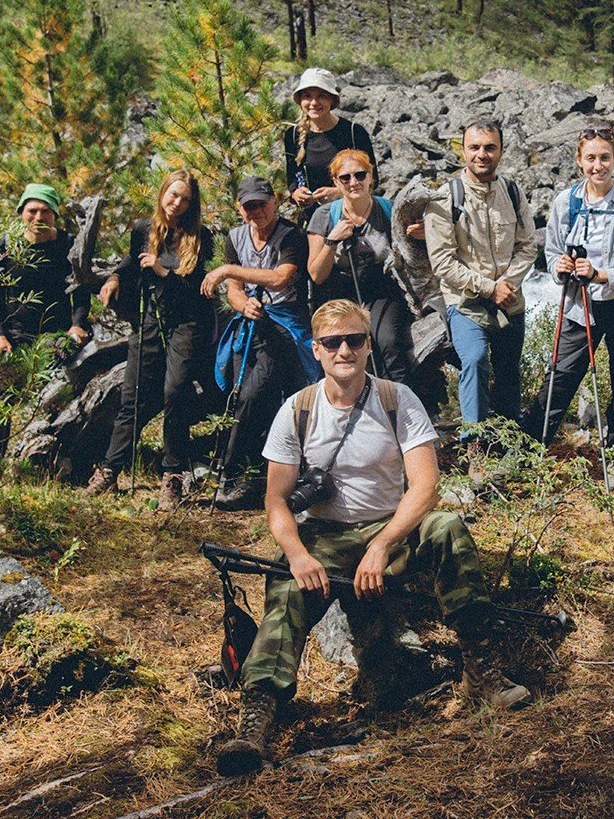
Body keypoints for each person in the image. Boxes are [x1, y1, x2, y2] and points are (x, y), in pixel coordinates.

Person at [217, 300, 529, 777]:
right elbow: (276, 503)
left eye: (355, 340)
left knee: (446, 527)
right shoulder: (297, 410)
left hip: (391, 526)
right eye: (333, 342)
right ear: (316, 350)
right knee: (285, 590)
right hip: (324, 535)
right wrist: (298, 555)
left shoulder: (397, 399)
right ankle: (256, 721)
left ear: (368, 346)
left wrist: (382, 544)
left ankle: (482, 671)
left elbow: (425, 485)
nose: (345, 350)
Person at [522, 129, 614, 457]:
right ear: (579, 161)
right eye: (591, 158)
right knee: (561, 377)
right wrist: (560, 268)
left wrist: (602, 275)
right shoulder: (565, 202)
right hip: (579, 305)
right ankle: (529, 448)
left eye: (605, 157)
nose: (598, 166)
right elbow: (551, 252)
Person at [90, 170, 217, 508]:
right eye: (172, 195)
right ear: (162, 194)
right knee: (132, 396)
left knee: (175, 392)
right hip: (151, 320)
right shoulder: (144, 229)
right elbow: (133, 260)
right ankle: (108, 470)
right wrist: (115, 277)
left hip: (187, 323)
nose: (176, 203)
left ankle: (172, 475)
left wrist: (163, 271)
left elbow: (199, 289)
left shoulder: (201, 237)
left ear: (193, 204)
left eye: (184, 199)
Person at [201, 176, 319, 511]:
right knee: (240, 395)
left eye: (261, 204)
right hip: (251, 322)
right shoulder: (236, 237)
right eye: (249, 206)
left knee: (254, 393)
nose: (256, 212)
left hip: (284, 325)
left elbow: (283, 276)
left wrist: (227, 270)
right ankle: (248, 474)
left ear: (275, 202)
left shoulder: (290, 235)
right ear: (240, 208)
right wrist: (242, 304)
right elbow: (235, 290)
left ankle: (235, 471)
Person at [0, 184, 91, 484]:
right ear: (21, 213)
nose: (38, 217)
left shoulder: (69, 245)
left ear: (55, 215)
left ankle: (62, 464)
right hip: (16, 336)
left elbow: (82, 292)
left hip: (56, 336)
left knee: (59, 398)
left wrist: (77, 325)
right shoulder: (5, 246)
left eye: (45, 211)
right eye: (31, 210)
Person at [422, 119, 537, 432]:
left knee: (508, 369)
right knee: (473, 360)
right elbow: (443, 262)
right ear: (463, 150)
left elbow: (528, 246)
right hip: (465, 301)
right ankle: (475, 444)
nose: (482, 154)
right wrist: (489, 288)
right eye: (474, 147)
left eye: (490, 147)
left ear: (501, 151)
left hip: (510, 299)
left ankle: (509, 440)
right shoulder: (445, 198)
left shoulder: (513, 192)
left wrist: (507, 285)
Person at [306, 149, 418, 387]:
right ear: (336, 182)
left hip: (382, 290)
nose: (353, 182)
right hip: (340, 292)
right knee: (341, 347)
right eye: (345, 178)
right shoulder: (324, 216)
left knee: (387, 341)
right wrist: (332, 241)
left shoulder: (389, 210)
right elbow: (316, 274)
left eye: (360, 175)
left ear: (371, 177)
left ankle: (401, 405)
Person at [283, 66, 377, 222]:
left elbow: (373, 181)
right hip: (312, 219)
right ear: (300, 100)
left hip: (353, 216)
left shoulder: (353, 133)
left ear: (332, 100)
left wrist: (339, 192)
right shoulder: (292, 135)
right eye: (307, 96)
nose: (314, 102)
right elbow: (292, 178)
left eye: (321, 96)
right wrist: (296, 193)